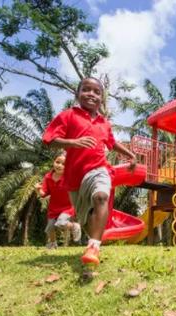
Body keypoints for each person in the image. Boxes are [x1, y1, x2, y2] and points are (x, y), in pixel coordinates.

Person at [42, 77, 138, 266]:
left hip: (99, 168)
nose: (91, 94)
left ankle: (94, 247)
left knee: (101, 196)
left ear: (101, 98)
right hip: (74, 177)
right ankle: (89, 236)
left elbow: (112, 143)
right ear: (77, 94)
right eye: (86, 90)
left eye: (96, 92)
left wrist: (130, 155)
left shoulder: (104, 123)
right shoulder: (68, 115)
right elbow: (48, 140)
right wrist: (73, 143)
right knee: (85, 220)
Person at [35, 153, 81, 249]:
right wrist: (38, 190)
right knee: (50, 228)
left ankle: (74, 226)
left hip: (67, 208)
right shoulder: (48, 177)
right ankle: (53, 244)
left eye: (63, 164)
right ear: (53, 162)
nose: (59, 165)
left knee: (61, 223)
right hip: (53, 209)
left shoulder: (69, 177)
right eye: (57, 162)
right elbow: (43, 194)